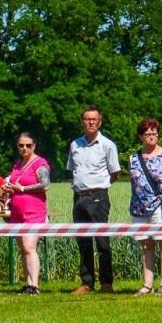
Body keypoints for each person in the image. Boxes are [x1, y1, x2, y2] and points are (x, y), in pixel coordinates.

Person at [66, 106, 119, 295]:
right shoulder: (75, 145)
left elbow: (115, 173)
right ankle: (87, 283)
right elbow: (72, 169)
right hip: (78, 197)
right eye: (87, 119)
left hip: (98, 197)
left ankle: (106, 283)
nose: (90, 122)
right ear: (82, 122)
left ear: (99, 122)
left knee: (102, 241)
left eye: (94, 119)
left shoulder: (107, 145)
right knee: (83, 241)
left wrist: (98, 188)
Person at [127, 119, 162, 295]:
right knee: (146, 245)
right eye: (148, 134)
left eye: (155, 133)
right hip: (138, 206)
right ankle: (147, 284)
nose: (152, 137)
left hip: (159, 205)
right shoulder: (133, 158)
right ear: (141, 136)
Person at [4, 131, 50, 294]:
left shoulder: (40, 163)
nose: (24, 148)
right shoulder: (18, 164)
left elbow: (45, 184)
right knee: (23, 248)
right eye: (21, 145)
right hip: (17, 212)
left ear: (34, 146)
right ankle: (28, 282)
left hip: (34, 211)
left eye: (28, 145)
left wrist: (23, 188)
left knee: (30, 247)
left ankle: (35, 285)